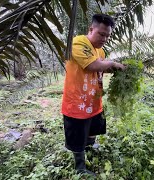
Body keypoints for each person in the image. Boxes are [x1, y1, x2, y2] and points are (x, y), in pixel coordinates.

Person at [61, 14, 125, 175]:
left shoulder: (100, 51)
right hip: (77, 102)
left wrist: (121, 68)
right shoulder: (78, 42)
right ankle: (80, 167)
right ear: (91, 29)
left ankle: (89, 148)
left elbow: (101, 67)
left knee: (92, 128)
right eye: (101, 34)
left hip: (93, 101)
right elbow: (92, 66)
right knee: (78, 135)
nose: (104, 38)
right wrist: (112, 63)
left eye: (108, 36)